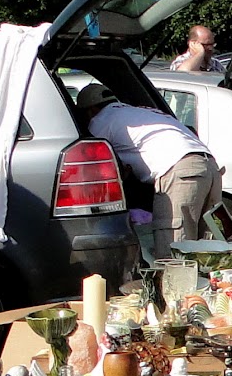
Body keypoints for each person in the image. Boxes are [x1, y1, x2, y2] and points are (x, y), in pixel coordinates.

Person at [75, 83, 220, 258]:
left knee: (174, 252)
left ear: (90, 110)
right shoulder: (142, 112)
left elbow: (95, 165)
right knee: (207, 251)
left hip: (181, 171)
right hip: (210, 166)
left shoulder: (100, 121)